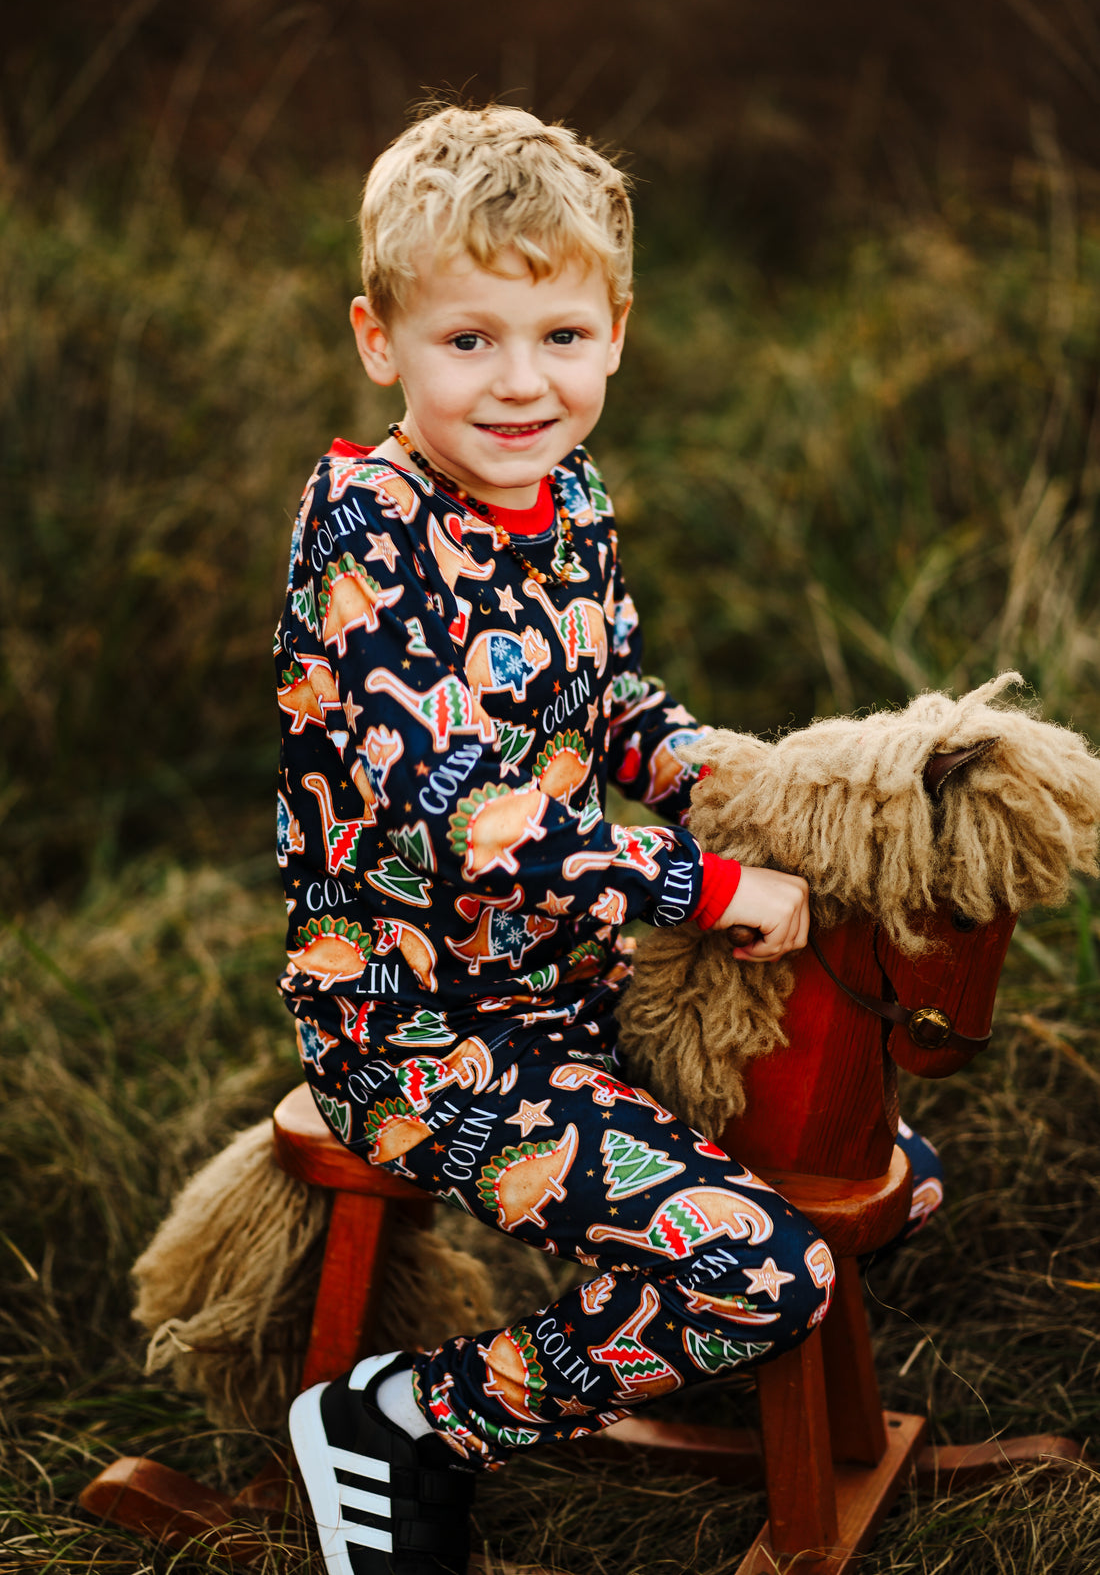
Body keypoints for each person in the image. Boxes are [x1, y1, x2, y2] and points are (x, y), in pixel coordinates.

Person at [274, 104, 943, 1575]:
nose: (523, 385)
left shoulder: (568, 497)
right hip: (418, 1027)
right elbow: (466, 819)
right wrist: (703, 882)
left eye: (561, 336)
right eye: (471, 341)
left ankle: (654, 1320)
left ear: (618, 334)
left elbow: (621, 704)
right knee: (766, 1271)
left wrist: (763, 794)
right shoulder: (366, 532)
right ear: (380, 337)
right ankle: (406, 1419)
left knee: (893, 1157)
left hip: (568, 987)